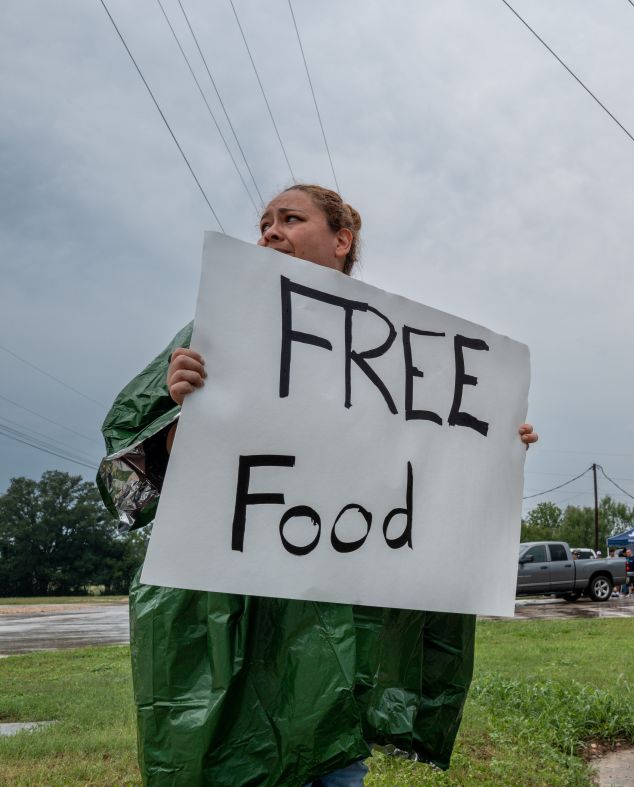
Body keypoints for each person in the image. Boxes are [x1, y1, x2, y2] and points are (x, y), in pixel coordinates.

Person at [97, 184, 538, 786]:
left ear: (341, 240)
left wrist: (491, 447)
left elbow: (423, 477)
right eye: (264, 222)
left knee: (332, 755)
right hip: (238, 617)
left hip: (337, 623)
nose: (270, 231)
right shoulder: (216, 330)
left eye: (290, 218)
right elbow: (133, 475)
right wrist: (177, 414)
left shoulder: (392, 349)